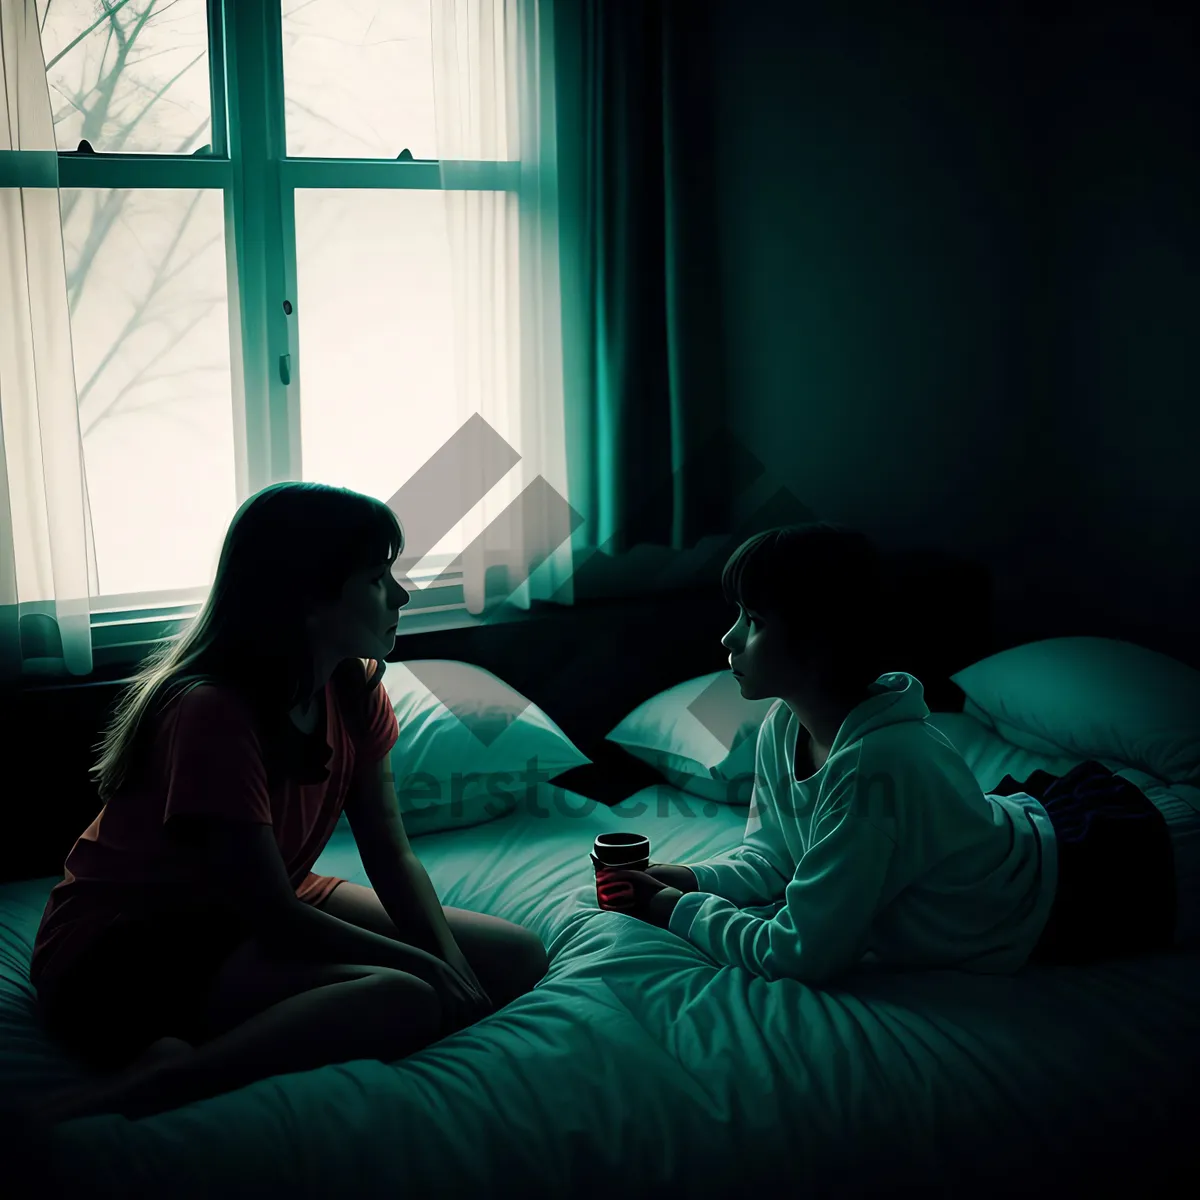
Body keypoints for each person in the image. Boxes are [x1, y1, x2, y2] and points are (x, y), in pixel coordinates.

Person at [29, 482, 549, 1123]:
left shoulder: (354, 688)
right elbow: (272, 912)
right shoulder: (213, 709)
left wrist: (448, 961)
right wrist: (423, 967)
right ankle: (173, 1077)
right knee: (405, 996)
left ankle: (223, 1031)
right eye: (378, 577)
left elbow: (388, 849)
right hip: (125, 944)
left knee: (515, 957)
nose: (402, 595)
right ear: (309, 597)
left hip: (252, 904)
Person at [601, 521, 1175, 984]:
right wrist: (689, 877)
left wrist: (671, 908)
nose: (729, 639)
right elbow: (777, 857)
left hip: (1084, 880)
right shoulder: (783, 723)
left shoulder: (879, 764)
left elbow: (802, 952)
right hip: (1023, 831)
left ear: (820, 643)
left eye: (753, 621)